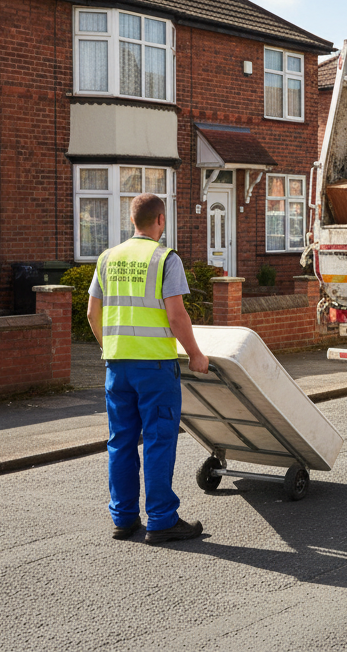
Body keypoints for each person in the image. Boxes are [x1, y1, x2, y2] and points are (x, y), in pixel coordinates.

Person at [87, 193, 208, 545]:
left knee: (121, 442)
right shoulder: (165, 258)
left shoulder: (107, 258)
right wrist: (195, 354)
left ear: (132, 221)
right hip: (154, 367)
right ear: (160, 220)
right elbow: (176, 315)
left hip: (116, 366)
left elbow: (93, 313)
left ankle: (123, 519)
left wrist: (110, 347)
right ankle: (161, 521)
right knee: (158, 440)